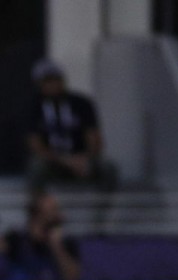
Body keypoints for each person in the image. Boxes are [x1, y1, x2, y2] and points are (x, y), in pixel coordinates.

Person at [27, 59, 118, 194]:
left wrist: (84, 158)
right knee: (36, 167)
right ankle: (40, 211)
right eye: (47, 81)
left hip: (82, 160)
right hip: (53, 163)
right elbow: (35, 146)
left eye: (56, 79)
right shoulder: (33, 108)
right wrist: (64, 161)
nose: (53, 84)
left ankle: (102, 212)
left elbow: (95, 139)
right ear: (39, 84)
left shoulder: (81, 103)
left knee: (108, 168)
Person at [0, 192, 80, 280]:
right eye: (53, 210)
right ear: (37, 214)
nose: (59, 214)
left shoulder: (66, 242)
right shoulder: (17, 238)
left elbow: (72, 278)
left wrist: (56, 246)